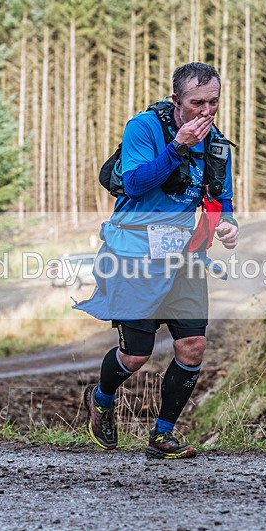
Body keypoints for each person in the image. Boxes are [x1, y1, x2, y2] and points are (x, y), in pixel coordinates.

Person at [74, 62, 238, 459]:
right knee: (135, 355)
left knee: (193, 346)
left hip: (182, 258)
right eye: (196, 102)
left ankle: (163, 435)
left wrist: (227, 225)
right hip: (134, 255)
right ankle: (103, 399)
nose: (206, 111)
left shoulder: (215, 143)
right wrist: (177, 147)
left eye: (213, 102)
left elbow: (220, 199)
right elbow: (134, 183)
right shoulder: (143, 128)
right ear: (175, 99)